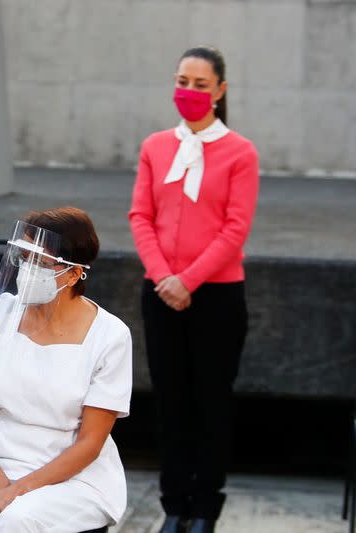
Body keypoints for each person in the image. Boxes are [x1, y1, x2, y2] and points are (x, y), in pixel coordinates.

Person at [0, 208, 133, 532]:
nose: (26, 268)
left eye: (38, 261)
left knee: (17, 521)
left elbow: (90, 443)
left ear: (71, 273)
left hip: (72, 474)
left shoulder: (110, 336)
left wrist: (19, 491)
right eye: (23, 256)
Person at [128, 46, 259, 533]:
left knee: (211, 404)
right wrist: (165, 277)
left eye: (201, 84)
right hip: (160, 294)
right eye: (183, 81)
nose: (190, 91)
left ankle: (205, 508)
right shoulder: (156, 146)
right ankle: (173, 505)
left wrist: (188, 280)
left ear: (220, 91)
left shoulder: (241, 152)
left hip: (217, 297)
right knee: (171, 404)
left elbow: (235, 229)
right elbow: (141, 216)